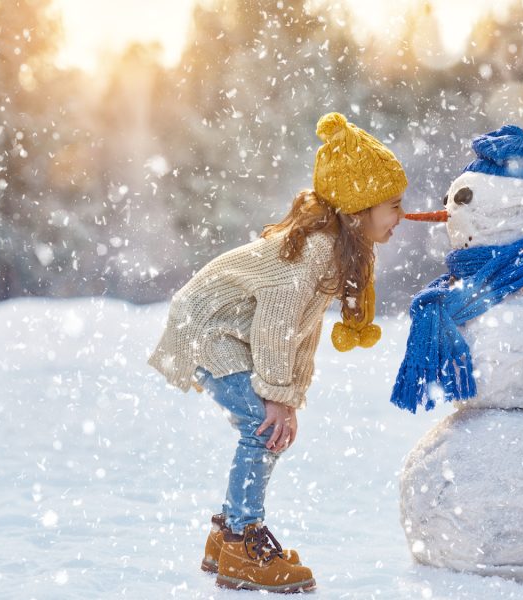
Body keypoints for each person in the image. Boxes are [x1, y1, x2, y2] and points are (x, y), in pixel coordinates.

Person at [147, 111, 407, 593]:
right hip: (209, 328)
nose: (402, 215)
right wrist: (276, 398)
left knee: (268, 425)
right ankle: (243, 542)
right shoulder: (315, 250)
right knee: (262, 428)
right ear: (358, 208)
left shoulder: (336, 249)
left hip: (230, 331)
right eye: (393, 205)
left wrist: (289, 394)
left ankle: (225, 537)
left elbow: (299, 333)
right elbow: (275, 325)